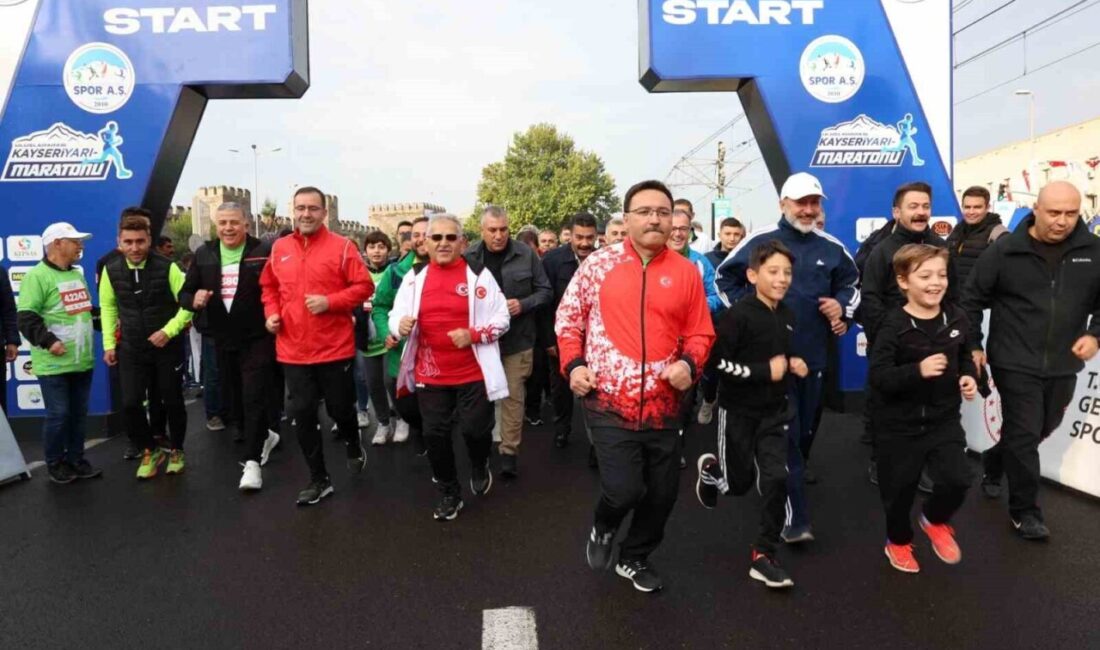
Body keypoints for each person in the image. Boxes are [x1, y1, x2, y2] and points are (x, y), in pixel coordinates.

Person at [557, 180, 715, 593]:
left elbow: (702, 334)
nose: (655, 219)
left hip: (666, 405)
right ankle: (604, 527)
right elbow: (568, 321)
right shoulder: (597, 265)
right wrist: (574, 366)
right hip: (607, 400)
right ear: (626, 219)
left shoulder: (686, 272)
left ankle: (635, 556)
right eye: (644, 211)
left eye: (663, 212)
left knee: (662, 496)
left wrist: (689, 363)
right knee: (625, 488)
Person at [715, 173, 858, 543]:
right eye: (801, 202)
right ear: (783, 204)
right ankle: (795, 518)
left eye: (815, 202)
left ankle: (784, 475)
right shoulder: (759, 240)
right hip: (770, 365)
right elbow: (723, 279)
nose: (809, 209)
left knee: (805, 432)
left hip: (813, 359)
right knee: (788, 436)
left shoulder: (831, 247)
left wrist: (840, 307)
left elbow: (852, 284)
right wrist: (751, 318)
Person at [963, 181, 1100, 539]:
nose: (1062, 221)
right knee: (1024, 434)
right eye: (1054, 212)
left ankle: (994, 459)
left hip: (1063, 363)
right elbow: (971, 299)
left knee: (1041, 427)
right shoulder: (1005, 251)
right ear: (1036, 209)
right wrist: (973, 346)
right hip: (1012, 359)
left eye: (1071, 213)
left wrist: (1095, 335)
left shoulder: (1093, 251)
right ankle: (1026, 511)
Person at [696, 240, 804, 589]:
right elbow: (716, 363)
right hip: (738, 412)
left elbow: (780, 359)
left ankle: (764, 554)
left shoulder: (787, 315)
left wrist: (792, 364)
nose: (782, 279)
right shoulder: (736, 316)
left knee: (777, 479)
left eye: (787, 272)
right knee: (738, 484)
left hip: (775, 414)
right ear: (752, 274)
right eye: (773, 272)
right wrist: (762, 372)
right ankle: (712, 472)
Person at [389, 214, 510, 520]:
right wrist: (398, 325)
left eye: (450, 238)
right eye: (437, 238)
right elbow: (395, 314)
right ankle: (449, 491)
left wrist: (472, 335)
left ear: (462, 243)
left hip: (473, 372)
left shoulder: (479, 274)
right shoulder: (414, 277)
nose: (443, 243)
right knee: (435, 435)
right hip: (431, 375)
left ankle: (480, 462)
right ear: (425, 243)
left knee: (474, 430)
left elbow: (502, 319)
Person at [260, 186, 374, 506]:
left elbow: (363, 286)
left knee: (340, 409)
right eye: (300, 208)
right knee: (303, 413)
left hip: (333, 348)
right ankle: (318, 478)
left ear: (324, 213)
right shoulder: (279, 247)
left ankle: (353, 442)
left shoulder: (342, 247)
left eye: (312, 208)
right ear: (292, 211)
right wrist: (271, 315)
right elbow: (269, 287)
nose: (306, 214)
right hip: (292, 350)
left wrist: (331, 302)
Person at [869, 244, 975, 572]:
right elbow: (879, 376)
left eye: (941, 275)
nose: (935, 282)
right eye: (925, 275)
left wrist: (968, 376)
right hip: (898, 426)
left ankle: (934, 519)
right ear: (903, 281)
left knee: (959, 479)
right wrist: (918, 371)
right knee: (899, 494)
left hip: (943, 420)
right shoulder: (893, 324)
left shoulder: (956, 316)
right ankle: (898, 542)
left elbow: (966, 353)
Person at [179, 203, 281, 491]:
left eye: (234, 222)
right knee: (233, 400)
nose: (228, 228)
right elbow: (184, 293)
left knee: (253, 396)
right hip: (221, 338)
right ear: (216, 225)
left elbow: (280, 287)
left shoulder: (262, 251)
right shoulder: (205, 253)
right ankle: (264, 436)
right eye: (222, 223)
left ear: (246, 224)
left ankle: (252, 464)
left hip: (257, 337)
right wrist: (193, 299)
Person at [859, 181, 953, 488]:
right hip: (892, 342)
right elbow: (870, 298)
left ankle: (920, 465)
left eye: (925, 206)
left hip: (931, 341)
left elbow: (953, 296)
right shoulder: (882, 250)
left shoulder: (940, 247)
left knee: (926, 406)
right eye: (913, 206)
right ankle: (880, 460)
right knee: (886, 404)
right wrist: (887, 338)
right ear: (897, 212)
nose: (921, 212)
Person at [101, 216, 193, 478]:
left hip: (166, 347)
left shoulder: (168, 267)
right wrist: (109, 343)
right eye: (128, 242)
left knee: (172, 401)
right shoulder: (111, 268)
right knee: (130, 404)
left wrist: (168, 331)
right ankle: (150, 450)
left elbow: (187, 305)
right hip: (131, 347)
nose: (134, 247)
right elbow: (108, 306)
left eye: (140, 241)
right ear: (119, 242)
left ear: (149, 241)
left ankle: (176, 449)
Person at [465, 207, 552, 478]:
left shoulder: (526, 254)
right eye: (492, 230)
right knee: (481, 400)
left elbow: (545, 291)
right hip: (480, 344)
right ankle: (484, 444)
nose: (499, 235)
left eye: (503, 229)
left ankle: (509, 452)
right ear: (482, 231)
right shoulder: (468, 257)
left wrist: (523, 304)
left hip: (518, 340)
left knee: (514, 397)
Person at [16, 222, 100, 484]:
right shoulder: (36, 276)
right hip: (54, 363)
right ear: (56, 244)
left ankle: (76, 459)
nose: (80, 245)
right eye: (74, 241)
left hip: (82, 360)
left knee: (77, 415)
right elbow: (26, 317)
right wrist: (49, 341)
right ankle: (55, 463)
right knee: (59, 414)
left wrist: (107, 321)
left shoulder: (76, 274)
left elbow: (84, 311)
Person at [668, 203, 722, 467]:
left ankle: (675, 446)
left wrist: (696, 307)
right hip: (655, 345)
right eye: (674, 228)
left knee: (683, 399)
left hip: (689, 347)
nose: (678, 234)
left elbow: (716, 297)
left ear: (691, 233)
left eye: (684, 230)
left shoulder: (701, 264)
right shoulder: (651, 259)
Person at [541, 212, 598, 452]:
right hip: (561, 337)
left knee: (596, 389)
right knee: (561, 388)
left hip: (596, 339)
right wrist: (548, 339)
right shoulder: (552, 260)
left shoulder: (603, 259)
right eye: (579, 237)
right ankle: (562, 428)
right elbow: (545, 303)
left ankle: (597, 442)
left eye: (589, 237)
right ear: (570, 236)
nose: (584, 243)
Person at [372, 216, 429, 452]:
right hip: (401, 353)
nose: (421, 239)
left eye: (427, 234)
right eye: (416, 235)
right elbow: (380, 306)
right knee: (399, 393)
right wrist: (387, 331)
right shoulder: (396, 272)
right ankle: (416, 426)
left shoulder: (454, 268)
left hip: (435, 354)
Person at [358, 231, 399, 444]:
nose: (376, 251)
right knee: (372, 383)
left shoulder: (394, 272)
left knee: (389, 380)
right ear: (365, 251)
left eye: (381, 247)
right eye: (372, 247)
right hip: (367, 339)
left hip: (389, 338)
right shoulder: (358, 273)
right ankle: (383, 424)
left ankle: (401, 418)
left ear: (388, 250)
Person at [946, 185, 1007, 286]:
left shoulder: (998, 234)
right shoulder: (957, 230)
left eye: (977, 207)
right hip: (956, 299)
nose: (971, 212)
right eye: (967, 207)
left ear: (987, 208)